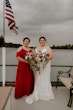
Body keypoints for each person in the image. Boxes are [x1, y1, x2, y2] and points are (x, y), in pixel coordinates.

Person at [25, 36, 54, 104]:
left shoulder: (48, 48)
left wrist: (43, 59)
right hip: (38, 66)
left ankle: (45, 93)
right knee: (38, 78)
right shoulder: (37, 48)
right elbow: (35, 56)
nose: (42, 41)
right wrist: (30, 56)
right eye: (41, 40)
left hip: (46, 65)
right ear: (39, 41)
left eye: (43, 40)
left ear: (45, 41)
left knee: (45, 78)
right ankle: (38, 92)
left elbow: (51, 56)